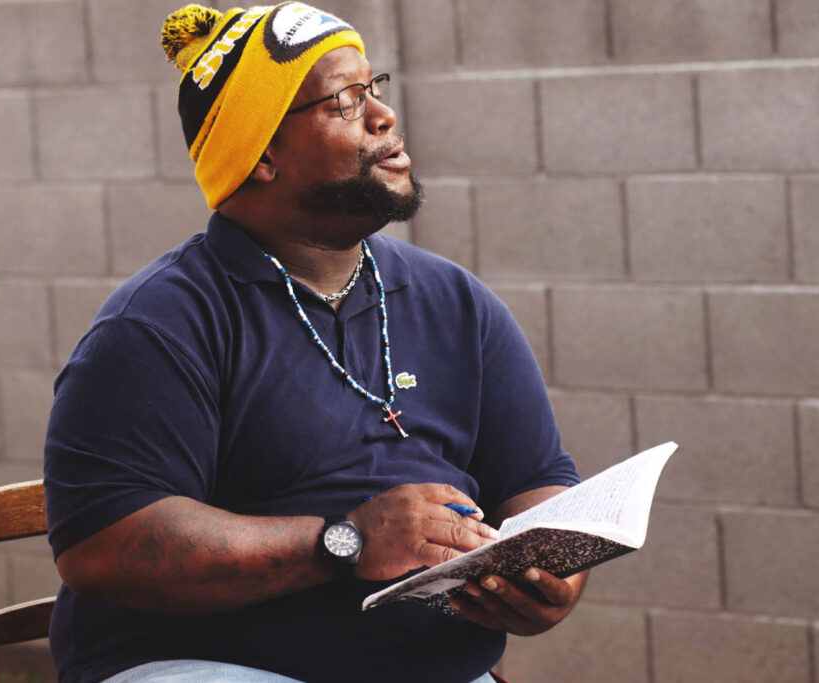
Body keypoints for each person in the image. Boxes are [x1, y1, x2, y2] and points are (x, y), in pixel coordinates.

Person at [43, 3, 588, 682]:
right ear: (262, 154)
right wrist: (349, 538)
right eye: (345, 99)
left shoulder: (457, 302)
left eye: (375, 89)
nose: (383, 115)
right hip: (200, 664)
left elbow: (537, 479)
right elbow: (103, 546)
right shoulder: (158, 325)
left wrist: (554, 566)